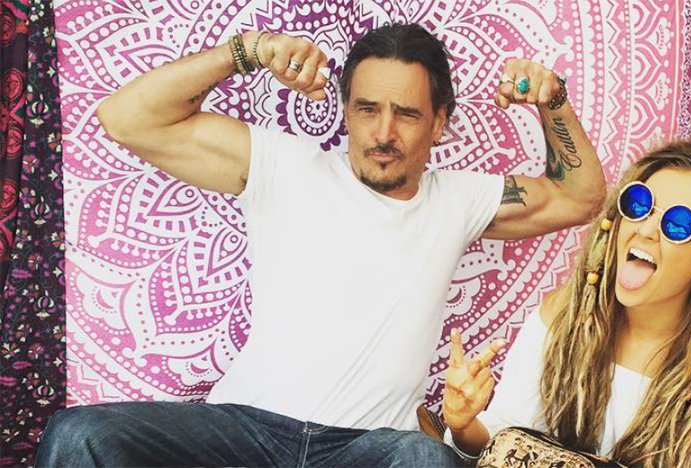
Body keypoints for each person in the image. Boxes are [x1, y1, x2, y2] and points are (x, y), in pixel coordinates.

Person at [35, 23, 606, 467]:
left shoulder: (460, 198)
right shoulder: (282, 164)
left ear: (439, 123)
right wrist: (246, 52)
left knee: (426, 458)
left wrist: (552, 99)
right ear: (347, 111)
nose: (384, 132)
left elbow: (580, 197)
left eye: (407, 114)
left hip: (367, 448)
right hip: (246, 431)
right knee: (78, 434)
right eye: (367, 109)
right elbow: (125, 118)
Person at [442, 142, 691, 467]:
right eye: (638, 204)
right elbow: (503, 443)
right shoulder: (563, 320)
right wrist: (462, 424)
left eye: (678, 224)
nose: (646, 229)